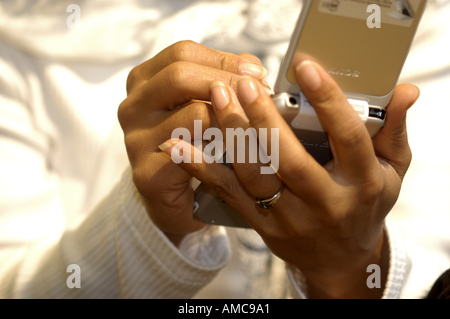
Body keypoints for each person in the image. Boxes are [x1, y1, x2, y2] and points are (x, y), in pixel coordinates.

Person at [0, 0, 448, 298]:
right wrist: (149, 223)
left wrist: (349, 270)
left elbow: (433, 267)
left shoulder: (402, 19)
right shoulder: (26, 30)